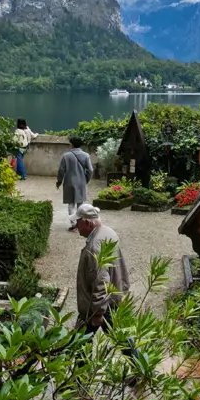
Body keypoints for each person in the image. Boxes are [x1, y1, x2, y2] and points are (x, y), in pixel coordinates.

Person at [70, 204, 130, 334]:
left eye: (77, 222)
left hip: (99, 305)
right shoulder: (108, 232)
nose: (76, 226)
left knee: (81, 342)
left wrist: (97, 313)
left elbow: (101, 280)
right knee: (120, 339)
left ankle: (137, 355)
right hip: (112, 299)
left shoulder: (94, 247)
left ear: (87, 222)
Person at [57, 136, 92, 229]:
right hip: (81, 182)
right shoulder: (86, 155)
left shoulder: (66, 156)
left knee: (71, 204)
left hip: (69, 182)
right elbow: (90, 170)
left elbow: (61, 171)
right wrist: (86, 179)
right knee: (80, 204)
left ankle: (73, 224)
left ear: (72, 144)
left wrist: (59, 181)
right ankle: (80, 223)